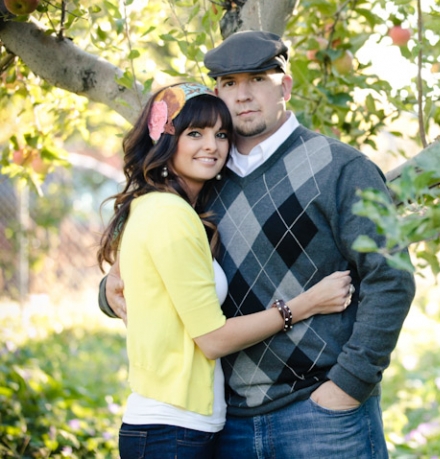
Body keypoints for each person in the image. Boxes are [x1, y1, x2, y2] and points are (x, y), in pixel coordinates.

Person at [100, 31, 416, 458]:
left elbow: (391, 279)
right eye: (230, 83)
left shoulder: (342, 168)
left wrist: (348, 386)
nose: (243, 95)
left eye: (258, 80)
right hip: (228, 423)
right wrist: (110, 288)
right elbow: (162, 269)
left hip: (320, 413)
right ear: (217, 93)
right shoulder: (202, 175)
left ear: (285, 87)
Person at [97, 82, 353, 458]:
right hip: (172, 429)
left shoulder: (155, 206)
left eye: (220, 134)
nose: (212, 146)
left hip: (180, 426)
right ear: (165, 139)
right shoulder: (170, 215)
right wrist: (307, 304)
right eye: (195, 133)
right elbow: (212, 339)